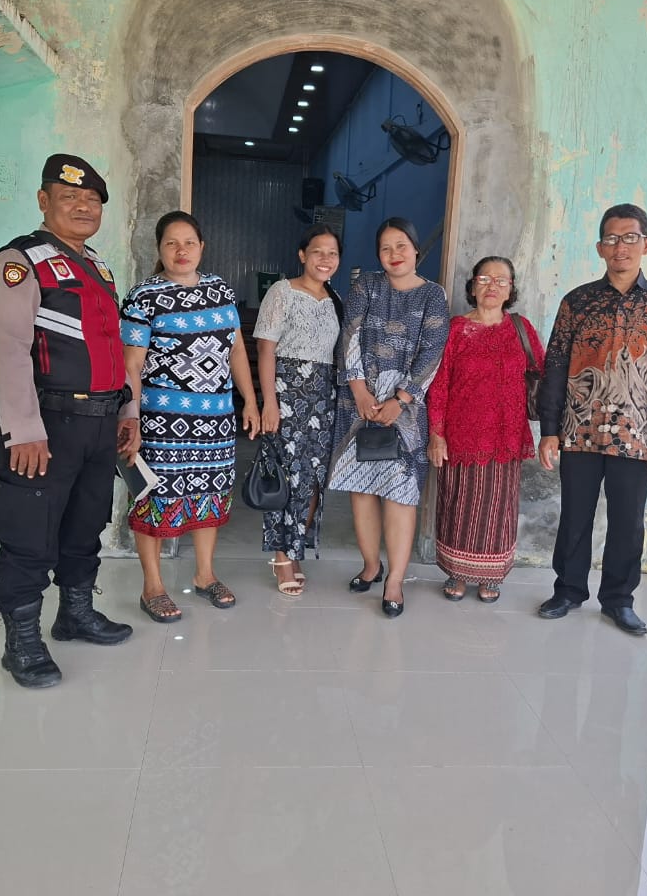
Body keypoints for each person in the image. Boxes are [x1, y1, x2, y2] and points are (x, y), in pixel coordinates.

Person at [0, 153, 137, 689]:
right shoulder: (19, 261)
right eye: (70, 197)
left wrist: (127, 412)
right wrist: (22, 429)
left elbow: (112, 348)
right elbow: (7, 348)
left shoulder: (97, 268)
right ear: (44, 201)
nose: (83, 207)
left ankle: (75, 613)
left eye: (92, 200)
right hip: (46, 425)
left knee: (85, 525)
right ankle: (22, 643)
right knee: (29, 534)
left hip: (98, 424)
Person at [535, 203, 647, 636]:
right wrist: (549, 430)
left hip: (637, 434)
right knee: (575, 516)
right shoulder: (578, 302)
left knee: (628, 521)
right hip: (578, 428)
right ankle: (568, 591)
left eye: (629, 238)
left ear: (646, 243)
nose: (620, 247)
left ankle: (619, 600)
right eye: (611, 239)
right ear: (600, 248)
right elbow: (555, 367)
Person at [120, 211, 260, 622]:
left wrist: (250, 401)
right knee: (152, 499)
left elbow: (236, 350)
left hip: (216, 421)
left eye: (189, 243)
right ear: (159, 249)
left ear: (202, 247)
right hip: (160, 422)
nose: (181, 251)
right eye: (171, 243)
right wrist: (131, 419)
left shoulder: (220, 290)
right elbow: (132, 365)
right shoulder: (143, 296)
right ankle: (153, 587)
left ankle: (204, 575)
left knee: (210, 493)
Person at [327, 216, 449, 618]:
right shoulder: (367, 286)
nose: (394, 254)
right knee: (361, 489)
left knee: (400, 493)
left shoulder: (433, 295)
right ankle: (371, 566)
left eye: (401, 246)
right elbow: (349, 335)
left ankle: (394, 580)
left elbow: (433, 349)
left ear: (416, 250)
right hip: (358, 403)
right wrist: (360, 391)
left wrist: (401, 398)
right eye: (385, 248)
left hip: (406, 411)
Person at [427, 257, 545, 603]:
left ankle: (491, 575)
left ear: (510, 290)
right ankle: (457, 572)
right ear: (473, 286)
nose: (492, 286)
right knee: (459, 506)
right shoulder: (455, 329)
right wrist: (436, 434)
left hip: (506, 435)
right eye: (484, 279)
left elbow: (543, 372)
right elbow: (439, 384)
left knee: (498, 508)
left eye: (500, 281)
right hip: (461, 435)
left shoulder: (521, 328)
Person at [255, 224, 344, 595]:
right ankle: (282, 556)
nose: (325, 259)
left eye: (332, 253)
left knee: (313, 481)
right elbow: (265, 350)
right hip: (287, 394)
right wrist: (269, 403)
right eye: (318, 251)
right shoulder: (283, 291)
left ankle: (295, 548)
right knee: (286, 477)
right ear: (302, 255)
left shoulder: (335, 299)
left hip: (323, 398)